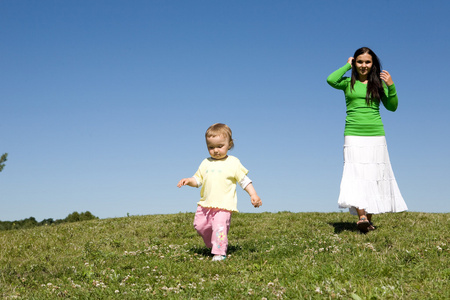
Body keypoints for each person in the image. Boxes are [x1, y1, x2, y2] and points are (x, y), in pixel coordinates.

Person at [327, 47, 408, 233]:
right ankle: (361, 215)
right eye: (360, 62)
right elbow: (330, 79)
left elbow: (392, 107)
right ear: (355, 63)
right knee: (356, 174)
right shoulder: (347, 83)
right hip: (353, 134)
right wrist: (346, 66)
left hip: (376, 135)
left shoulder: (378, 85)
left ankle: (367, 221)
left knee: (374, 176)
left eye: (367, 62)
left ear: (373, 65)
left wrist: (391, 85)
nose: (364, 65)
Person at [177, 123, 262, 261]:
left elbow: (244, 181)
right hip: (205, 205)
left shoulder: (233, 162)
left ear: (229, 144)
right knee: (199, 226)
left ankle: (219, 252)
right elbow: (197, 180)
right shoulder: (205, 163)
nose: (215, 150)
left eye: (220, 146)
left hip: (223, 206)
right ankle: (213, 244)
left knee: (219, 228)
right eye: (211, 147)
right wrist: (188, 181)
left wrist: (253, 194)